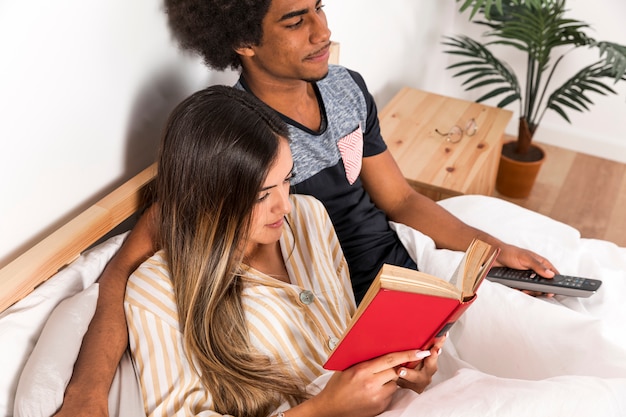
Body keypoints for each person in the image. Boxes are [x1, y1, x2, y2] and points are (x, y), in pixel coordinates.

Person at [54, 1, 558, 415]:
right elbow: (123, 272)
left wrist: (492, 249)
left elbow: (400, 198)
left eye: (319, 7)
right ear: (243, 41)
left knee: (547, 345)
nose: (323, 30)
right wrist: (86, 394)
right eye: (296, 20)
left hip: (399, 300)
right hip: (363, 320)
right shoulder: (233, 150)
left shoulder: (342, 96)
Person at [125, 84, 444, 416]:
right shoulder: (157, 290)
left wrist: (402, 376)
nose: (285, 206)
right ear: (207, 194)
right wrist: (324, 410)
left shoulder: (310, 216)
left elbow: (347, 344)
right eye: (263, 195)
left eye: (287, 180)